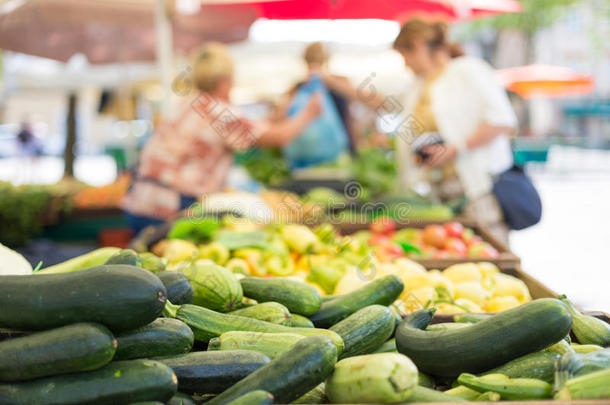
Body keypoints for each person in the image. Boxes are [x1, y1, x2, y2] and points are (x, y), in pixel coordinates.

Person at [323, 20, 518, 242]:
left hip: (479, 191)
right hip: (440, 197)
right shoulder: (417, 86)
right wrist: (329, 79)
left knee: (491, 251)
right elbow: (378, 100)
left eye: (404, 57)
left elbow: (502, 121)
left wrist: (455, 148)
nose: (406, 65)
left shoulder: (468, 70)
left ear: (417, 45)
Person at [121, 43, 321, 234]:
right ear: (224, 81)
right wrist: (308, 114)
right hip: (171, 208)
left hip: (140, 200)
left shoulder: (190, 103)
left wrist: (279, 115)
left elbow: (250, 126)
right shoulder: (217, 112)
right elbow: (277, 138)